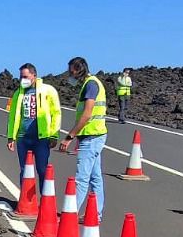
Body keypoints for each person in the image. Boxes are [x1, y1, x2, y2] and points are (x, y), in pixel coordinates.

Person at [60, 57, 109, 215]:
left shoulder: (91, 85)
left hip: (91, 136)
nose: (70, 74)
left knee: (81, 178)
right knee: (95, 177)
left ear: (78, 69)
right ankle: (96, 214)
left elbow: (87, 114)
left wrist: (69, 137)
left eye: (71, 71)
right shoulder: (90, 84)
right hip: (94, 134)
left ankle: (70, 214)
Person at [6, 63, 61, 188]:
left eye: (25, 77)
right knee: (25, 171)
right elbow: (13, 116)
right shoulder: (18, 93)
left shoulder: (48, 90)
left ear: (34, 76)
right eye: (21, 77)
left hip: (41, 139)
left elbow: (56, 114)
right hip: (23, 138)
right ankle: (25, 202)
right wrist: (11, 136)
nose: (22, 80)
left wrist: (54, 135)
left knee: (42, 171)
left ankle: (45, 202)